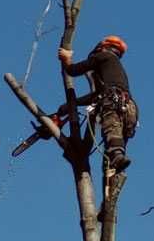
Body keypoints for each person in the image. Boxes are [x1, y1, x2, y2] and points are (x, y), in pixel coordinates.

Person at [57, 35, 137, 171]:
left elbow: (73, 70)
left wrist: (66, 58)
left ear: (103, 46)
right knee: (115, 143)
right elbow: (96, 95)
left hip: (113, 102)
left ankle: (116, 158)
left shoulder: (103, 55)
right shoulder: (113, 68)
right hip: (130, 109)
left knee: (112, 133)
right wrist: (71, 104)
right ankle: (113, 169)